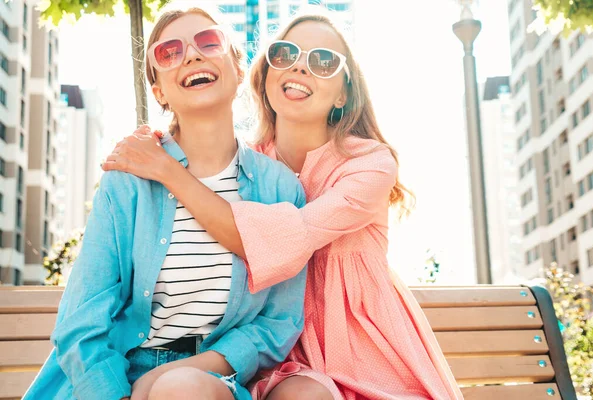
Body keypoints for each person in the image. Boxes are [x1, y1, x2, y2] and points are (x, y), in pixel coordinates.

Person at [102, 10, 463, 400]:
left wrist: (169, 171)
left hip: (364, 350)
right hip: (282, 354)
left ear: (344, 92)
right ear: (265, 74)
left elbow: (284, 240)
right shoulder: (247, 167)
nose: (301, 68)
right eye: (285, 54)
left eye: (323, 62)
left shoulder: (370, 164)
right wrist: (160, 147)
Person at [24, 6, 307, 400]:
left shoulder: (279, 189)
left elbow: (278, 322)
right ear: (159, 91)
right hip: (117, 376)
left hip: (213, 380)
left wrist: (181, 374)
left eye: (209, 42)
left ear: (238, 70)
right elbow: (81, 320)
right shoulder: (126, 183)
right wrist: (118, 394)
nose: (191, 55)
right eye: (168, 51)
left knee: (184, 390)